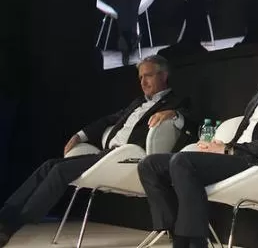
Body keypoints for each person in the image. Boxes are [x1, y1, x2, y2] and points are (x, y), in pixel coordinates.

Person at [138, 28, 258, 248]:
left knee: (182, 161)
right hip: (237, 156)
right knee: (150, 164)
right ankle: (173, 229)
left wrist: (229, 149)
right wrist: (219, 146)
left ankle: (189, 243)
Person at [0, 56, 192, 247]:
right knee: (49, 165)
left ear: (164, 75)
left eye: (148, 76)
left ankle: (12, 226)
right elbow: (108, 120)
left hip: (128, 158)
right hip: (107, 155)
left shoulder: (176, 101)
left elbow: (193, 121)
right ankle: (4, 216)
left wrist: (174, 114)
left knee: (59, 171)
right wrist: (79, 136)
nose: (143, 82)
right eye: (140, 77)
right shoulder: (137, 103)